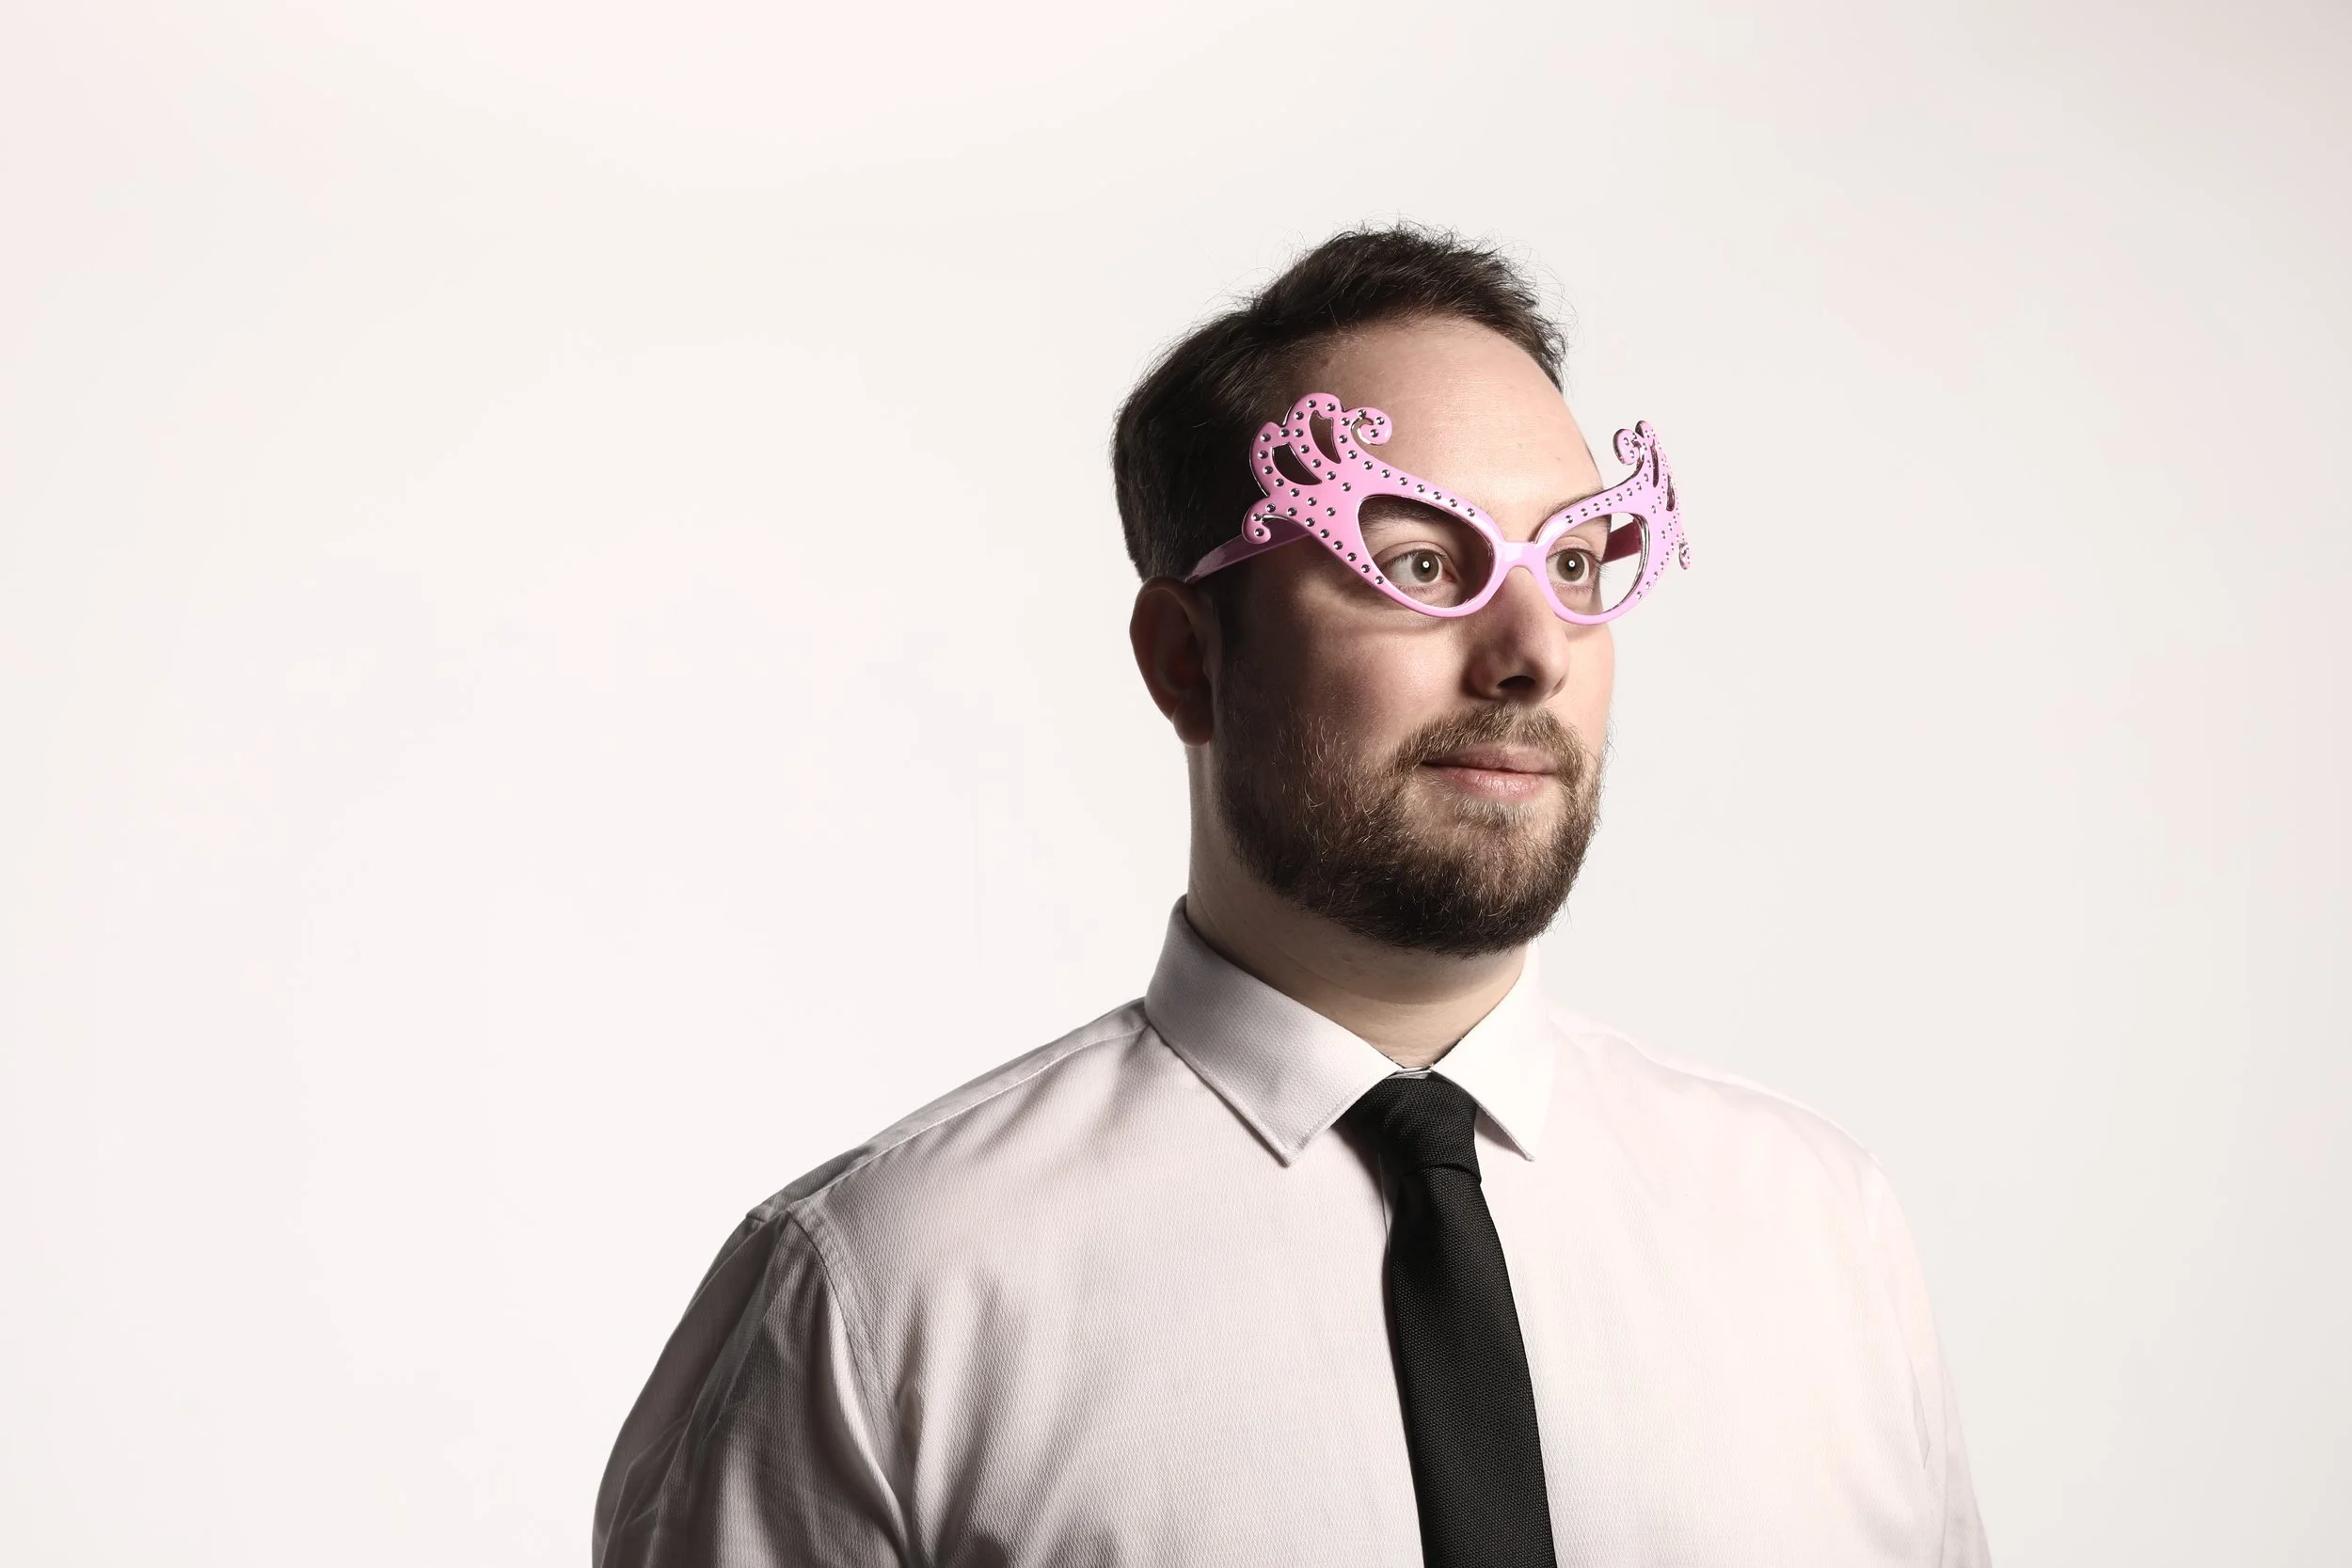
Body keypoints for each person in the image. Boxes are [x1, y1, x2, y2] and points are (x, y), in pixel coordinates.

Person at [593, 226, 1991, 1567]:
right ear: (1186, 659)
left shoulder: (1821, 1238)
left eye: (1573, 563)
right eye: (1423, 563)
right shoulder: (879, 1302)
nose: (1531, 653)